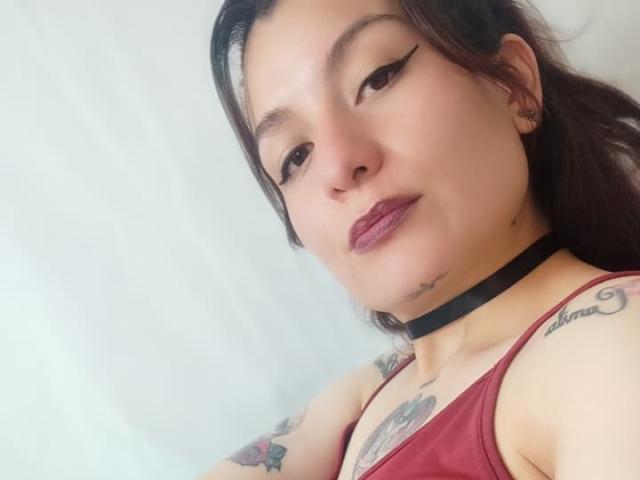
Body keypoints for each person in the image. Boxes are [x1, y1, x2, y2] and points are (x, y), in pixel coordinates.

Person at [202, 0, 640, 478]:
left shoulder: (611, 343)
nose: (339, 166)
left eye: (377, 78)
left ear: (513, 85)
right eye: (295, 156)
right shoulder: (367, 398)